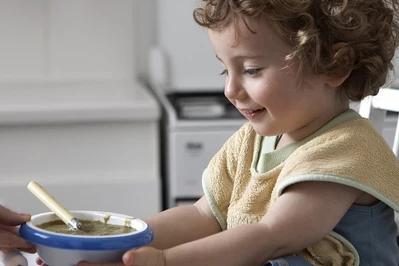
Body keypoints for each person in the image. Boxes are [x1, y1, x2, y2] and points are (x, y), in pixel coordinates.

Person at [40, 0, 399, 265]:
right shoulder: (252, 141)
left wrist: (164, 261)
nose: (230, 89)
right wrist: (115, 245)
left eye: (252, 69)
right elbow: (202, 217)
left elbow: (271, 238)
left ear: (335, 65)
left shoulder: (347, 150)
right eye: (224, 71)